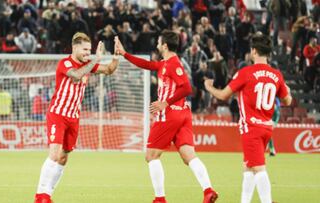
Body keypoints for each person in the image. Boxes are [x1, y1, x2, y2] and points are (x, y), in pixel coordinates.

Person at [115, 30, 218, 203]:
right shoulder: (165, 64)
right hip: (182, 114)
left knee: (151, 156)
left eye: (158, 42)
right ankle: (208, 190)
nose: (156, 44)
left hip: (170, 114)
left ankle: (160, 199)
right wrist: (125, 54)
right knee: (188, 156)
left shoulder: (173, 64)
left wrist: (165, 103)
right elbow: (147, 65)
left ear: (164, 45)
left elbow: (186, 88)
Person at [204, 33, 292, 203]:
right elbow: (287, 100)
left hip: (251, 127)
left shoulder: (245, 72)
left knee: (258, 168)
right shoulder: (276, 75)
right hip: (266, 127)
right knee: (249, 167)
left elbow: (223, 95)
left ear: (254, 51)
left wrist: (209, 88)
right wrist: (286, 88)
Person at [34, 32, 120, 203]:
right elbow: (76, 75)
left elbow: (109, 70)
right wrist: (96, 59)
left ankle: (48, 194)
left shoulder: (88, 63)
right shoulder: (65, 63)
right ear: (75, 48)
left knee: (63, 157)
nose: (88, 53)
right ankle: (40, 195)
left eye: (90, 49)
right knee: (54, 154)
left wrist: (116, 56)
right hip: (58, 114)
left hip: (73, 117)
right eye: (85, 49)